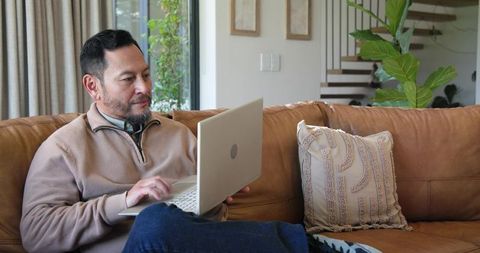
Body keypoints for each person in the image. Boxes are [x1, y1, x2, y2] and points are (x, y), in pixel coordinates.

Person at [20, 29, 312, 253]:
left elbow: (208, 224)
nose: (144, 87)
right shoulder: (63, 148)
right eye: (128, 79)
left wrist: (217, 195)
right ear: (92, 86)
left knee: (165, 221)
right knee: (154, 221)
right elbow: (36, 232)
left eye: (146, 75)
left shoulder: (179, 134)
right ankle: (311, 246)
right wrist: (123, 202)